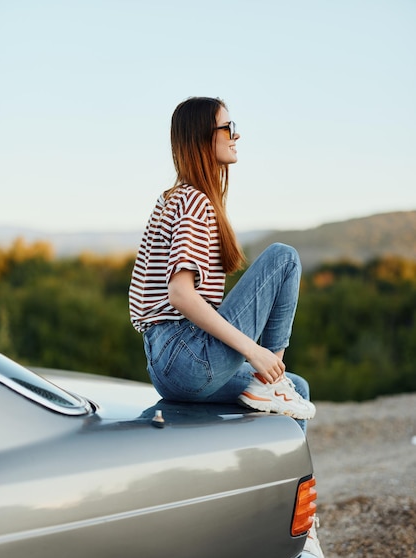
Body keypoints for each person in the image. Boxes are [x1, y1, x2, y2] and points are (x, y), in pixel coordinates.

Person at [128, 96, 316, 429]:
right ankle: (269, 380)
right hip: (183, 353)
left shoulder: (175, 198)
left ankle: (272, 398)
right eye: (228, 127)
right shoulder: (193, 201)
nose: (236, 135)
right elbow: (180, 295)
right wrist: (256, 353)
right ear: (203, 135)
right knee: (283, 257)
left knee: (298, 389)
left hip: (165, 363)